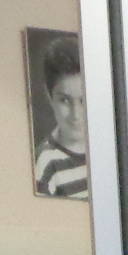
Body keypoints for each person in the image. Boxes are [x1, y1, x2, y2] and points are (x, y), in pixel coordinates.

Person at [31, 34, 88, 199]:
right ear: (50, 97)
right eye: (64, 100)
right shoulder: (44, 164)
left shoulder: (110, 149)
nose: (76, 114)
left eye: (84, 100)